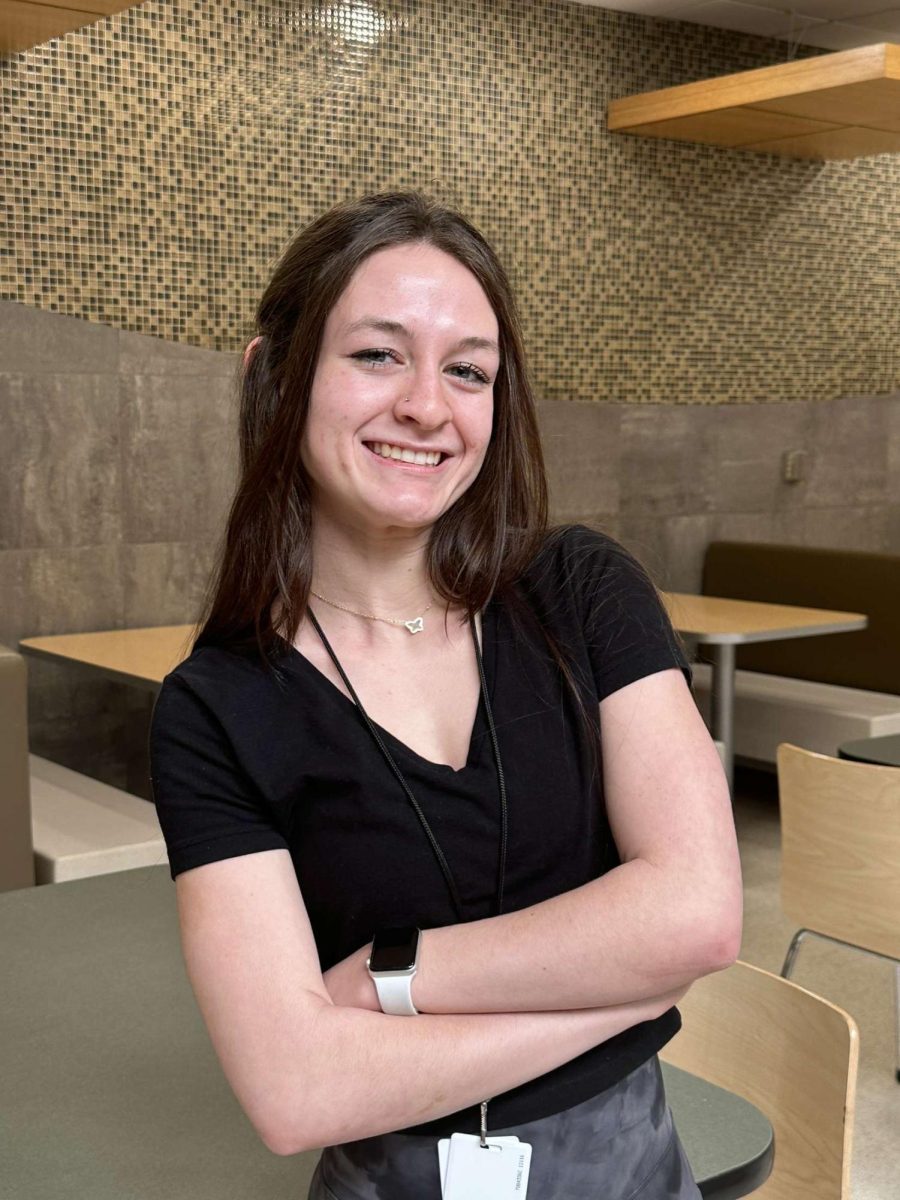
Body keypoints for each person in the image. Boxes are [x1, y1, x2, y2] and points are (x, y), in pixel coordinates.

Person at [149, 190, 742, 1200]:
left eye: (467, 370)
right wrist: (623, 997)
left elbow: (698, 917)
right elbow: (296, 1092)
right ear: (273, 378)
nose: (428, 404)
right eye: (379, 355)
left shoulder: (580, 591)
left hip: (631, 1169)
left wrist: (390, 979)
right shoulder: (215, 707)